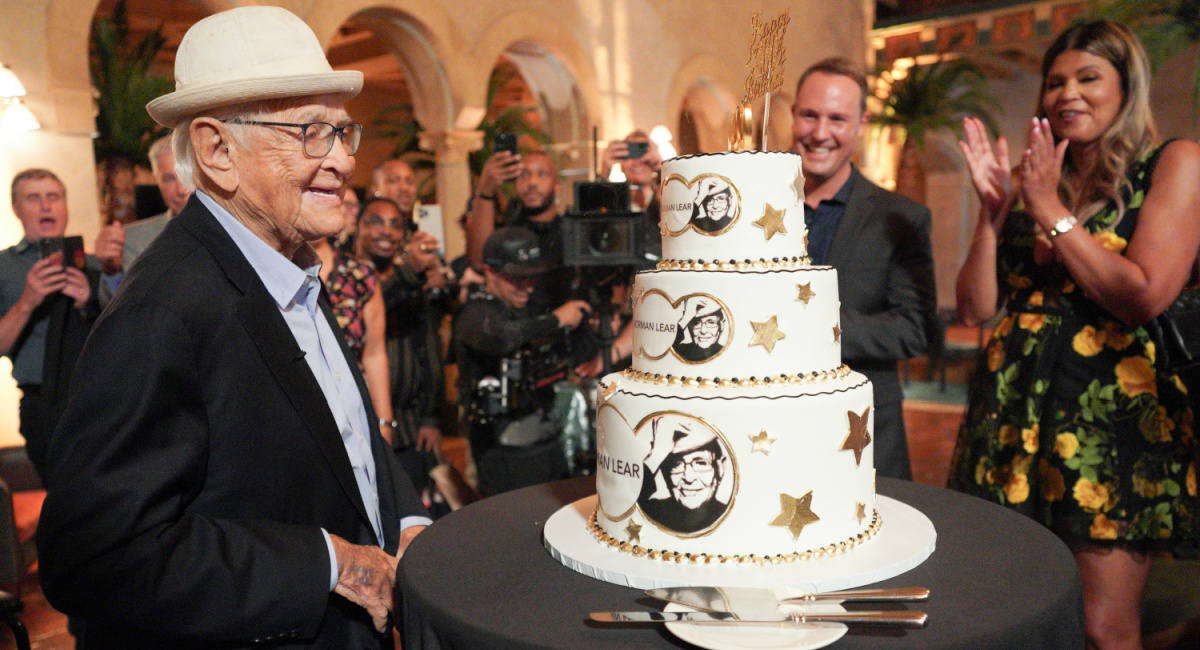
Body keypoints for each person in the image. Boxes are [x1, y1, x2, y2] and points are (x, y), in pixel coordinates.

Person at [36, 7, 429, 647]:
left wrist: (404, 518)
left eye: (342, 132)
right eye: (310, 132)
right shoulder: (161, 311)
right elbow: (95, 557)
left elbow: (345, 433)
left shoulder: (292, 266)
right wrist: (327, 562)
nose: (342, 162)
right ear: (219, 151)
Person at [950, 20, 1200, 650]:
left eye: (1089, 78)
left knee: (1101, 626)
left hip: (1108, 425)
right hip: (1010, 416)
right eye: (1056, 82)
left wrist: (1049, 212)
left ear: (1126, 87)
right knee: (1008, 604)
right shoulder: (1036, 181)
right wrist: (990, 215)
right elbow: (976, 308)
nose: (1069, 94)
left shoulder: (1174, 163)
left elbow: (1143, 294)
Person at [789, 57, 937, 481]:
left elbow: (914, 328)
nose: (820, 133)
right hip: (763, 431)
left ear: (861, 123)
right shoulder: (752, 206)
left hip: (859, 434)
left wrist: (810, 327)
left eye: (837, 119)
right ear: (794, 114)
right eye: (809, 115)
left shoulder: (902, 218)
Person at [452, 226, 591, 496]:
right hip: (502, 451)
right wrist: (556, 320)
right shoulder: (476, 313)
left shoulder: (530, 309)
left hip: (547, 439)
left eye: (532, 277)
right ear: (490, 272)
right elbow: (501, 337)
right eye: (517, 278)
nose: (527, 286)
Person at [357, 194, 454, 517]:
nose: (386, 231)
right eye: (376, 222)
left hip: (413, 431)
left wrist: (431, 416)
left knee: (419, 521)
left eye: (396, 224)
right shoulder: (348, 276)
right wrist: (409, 274)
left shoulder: (414, 281)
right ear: (358, 227)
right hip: (364, 428)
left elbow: (429, 351)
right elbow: (367, 310)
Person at [0, 169, 100, 479]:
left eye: (53, 197)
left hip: (101, 399)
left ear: (65, 206)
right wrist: (26, 302)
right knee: (65, 502)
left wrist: (90, 303)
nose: (46, 205)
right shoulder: (3, 267)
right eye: (33, 198)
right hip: (42, 405)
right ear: (16, 209)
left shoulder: (95, 265)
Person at [466, 149, 572, 313]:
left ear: (556, 184)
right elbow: (479, 261)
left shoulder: (570, 232)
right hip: (516, 327)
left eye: (542, 174)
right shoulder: (507, 233)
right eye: (524, 174)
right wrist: (485, 190)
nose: (532, 182)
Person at [95, 134, 194, 303]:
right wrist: (112, 271)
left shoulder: (237, 227)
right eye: (169, 179)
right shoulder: (132, 240)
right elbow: (117, 309)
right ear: (156, 181)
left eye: (187, 175)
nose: (181, 189)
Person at [637, 413, 733, 534]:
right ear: (665, 472)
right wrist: (655, 456)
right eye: (676, 464)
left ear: (720, 468)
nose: (688, 478)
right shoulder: (653, 510)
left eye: (701, 463)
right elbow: (628, 496)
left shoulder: (733, 520)